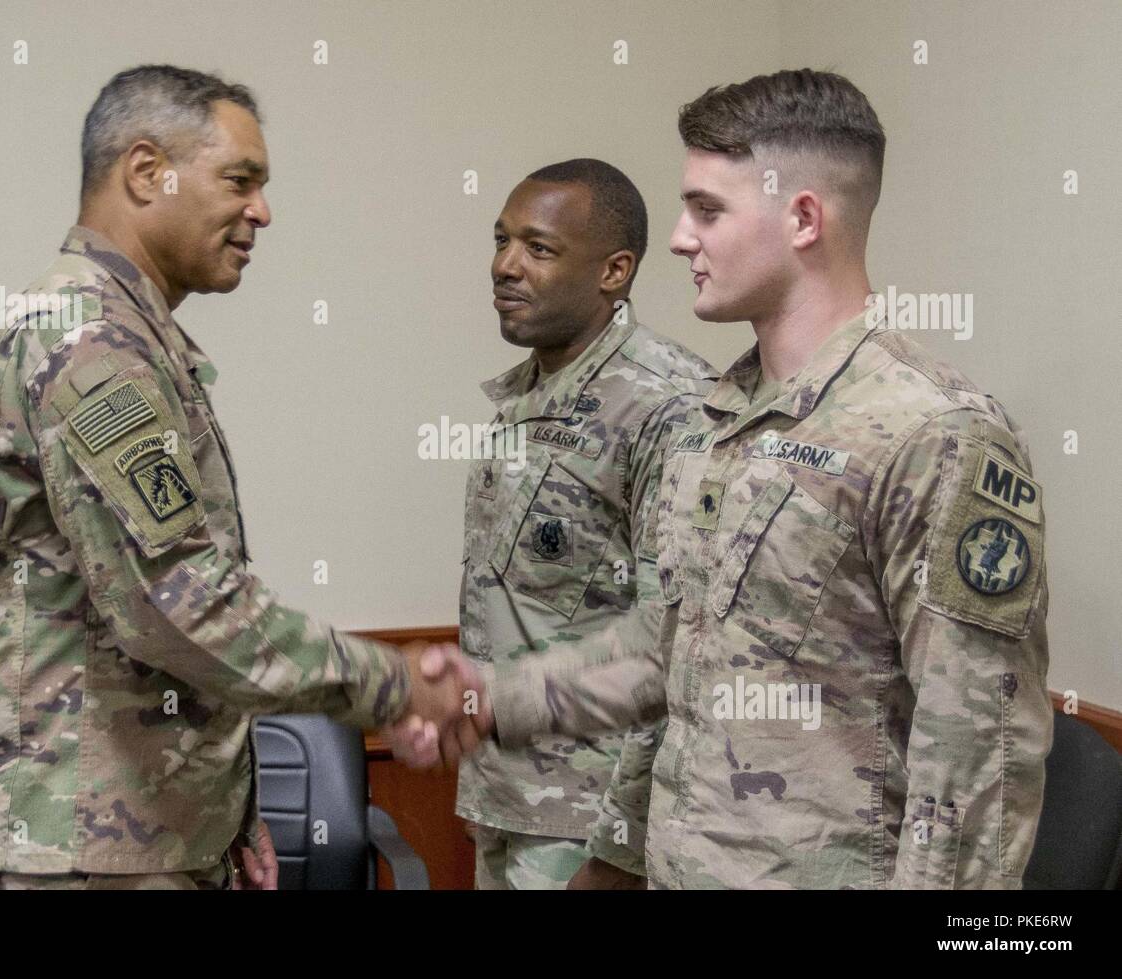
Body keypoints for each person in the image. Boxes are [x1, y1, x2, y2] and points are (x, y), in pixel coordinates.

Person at [400, 69, 1053, 890]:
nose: (679, 239)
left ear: (803, 218)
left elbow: (977, 762)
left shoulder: (937, 434)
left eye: (708, 210)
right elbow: (662, 651)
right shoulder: (719, 423)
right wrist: (503, 701)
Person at [0, 64, 482, 890]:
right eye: (241, 180)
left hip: (130, 831)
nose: (262, 211)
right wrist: (398, 683)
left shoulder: (123, 333)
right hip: (75, 850)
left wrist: (224, 809)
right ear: (145, 170)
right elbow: (178, 601)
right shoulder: (90, 343)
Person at [441, 159, 716, 889]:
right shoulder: (525, 399)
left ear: (613, 271)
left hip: (592, 824)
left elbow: (676, 640)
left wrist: (623, 846)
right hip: (507, 802)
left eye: (538, 248)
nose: (505, 265)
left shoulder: (669, 406)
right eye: (501, 241)